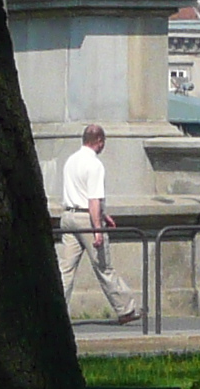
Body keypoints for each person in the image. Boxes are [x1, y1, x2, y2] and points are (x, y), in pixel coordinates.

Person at [58, 125, 142, 324]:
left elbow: (79, 192)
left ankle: (55, 312)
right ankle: (126, 309)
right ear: (99, 141)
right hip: (86, 219)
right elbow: (93, 200)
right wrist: (97, 229)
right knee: (103, 266)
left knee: (65, 270)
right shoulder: (95, 165)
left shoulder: (71, 160)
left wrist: (104, 214)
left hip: (68, 217)